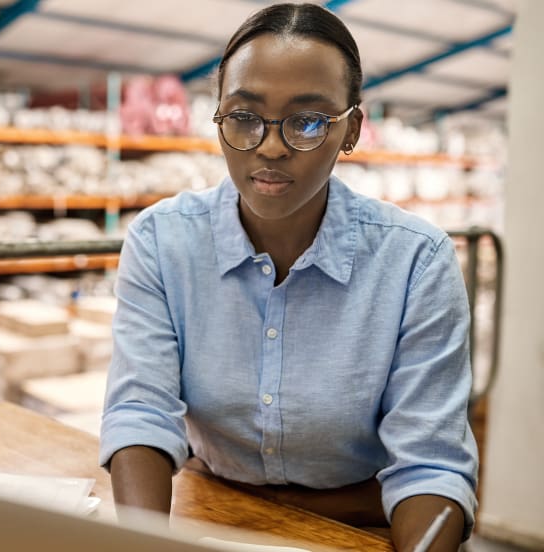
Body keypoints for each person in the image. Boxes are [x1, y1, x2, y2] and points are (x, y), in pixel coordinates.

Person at [98, 3, 478, 551]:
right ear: (219, 117)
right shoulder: (163, 241)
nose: (271, 147)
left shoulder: (416, 261)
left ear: (350, 130)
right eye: (244, 117)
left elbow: (431, 465)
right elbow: (140, 411)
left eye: (307, 122)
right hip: (214, 511)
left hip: (363, 527)